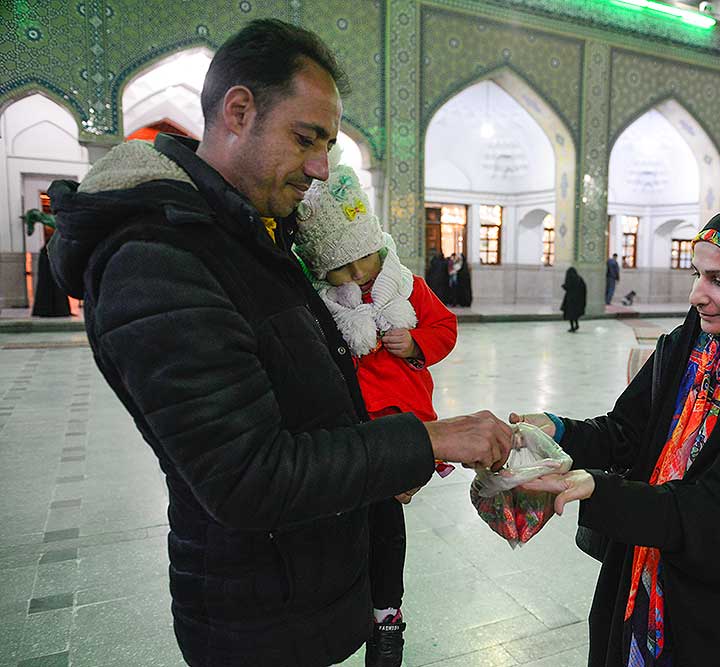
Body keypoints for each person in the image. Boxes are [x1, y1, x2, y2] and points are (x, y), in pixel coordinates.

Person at [46, 19, 511, 667]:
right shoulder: (157, 260)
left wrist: (384, 459)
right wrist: (427, 440)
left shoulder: (250, 234)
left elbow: (301, 400)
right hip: (254, 618)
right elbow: (247, 477)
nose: (320, 169)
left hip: (299, 589)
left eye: (329, 145)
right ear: (238, 112)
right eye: (305, 138)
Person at [513, 204, 720, 666]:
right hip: (647, 566)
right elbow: (627, 432)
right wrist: (558, 431)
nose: (696, 295)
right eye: (696, 274)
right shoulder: (684, 348)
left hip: (717, 603)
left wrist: (602, 492)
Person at [293, 151, 458, 666]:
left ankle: (387, 615)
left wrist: (416, 344)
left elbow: (445, 328)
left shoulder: (406, 287)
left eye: (361, 261)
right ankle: (350, 608)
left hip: (401, 427)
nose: (356, 276)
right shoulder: (324, 304)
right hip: (351, 434)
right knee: (350, 526)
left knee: (386, 525)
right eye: (340, 269)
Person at [560, 266, 587, 332]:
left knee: (570, 315)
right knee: (575, 315)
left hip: (570, 300)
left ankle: (572, 327)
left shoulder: (570, 278)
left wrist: (563, 286)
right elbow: (584, 288)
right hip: (578, 300)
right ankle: (576, 325)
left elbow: (568, 287)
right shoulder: (579, 279)